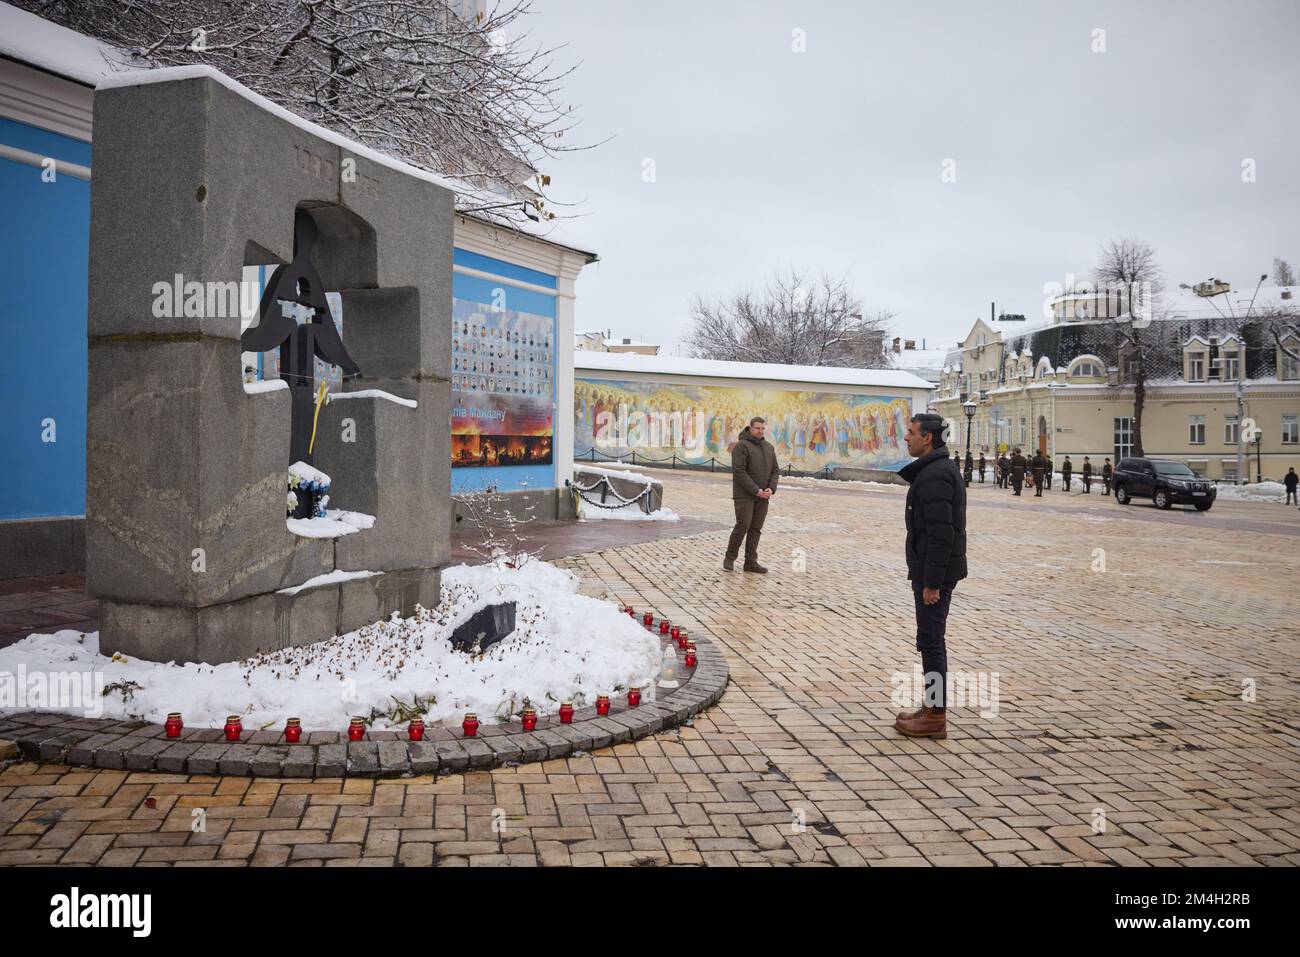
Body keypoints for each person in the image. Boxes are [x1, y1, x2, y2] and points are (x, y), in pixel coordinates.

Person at [895, 412, 967, 740]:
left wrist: (932, 583)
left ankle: (936, 716)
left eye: (910, 433)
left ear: (927, 438)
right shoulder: (933, 470)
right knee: (930, 641)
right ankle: (931, 706)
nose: (905, 437)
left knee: (931, 642)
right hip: (929, 570)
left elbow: (942, 534)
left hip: (933, 575)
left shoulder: (937, 475)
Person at [724, 416, 779, 573]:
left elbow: (776, 470)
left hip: (763, 496)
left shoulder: (769, 447)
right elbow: (739, 472)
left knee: (756, 529)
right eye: (757, 428)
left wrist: (771, 489)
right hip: (745, 495)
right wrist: (756, 490)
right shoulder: (741, 446)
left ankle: (750, 562)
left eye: (762, 428)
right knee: (743, 525)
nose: (760, 431)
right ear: (750, 428)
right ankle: (730, 557)